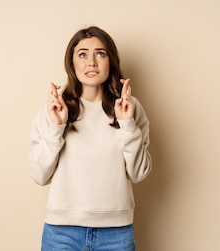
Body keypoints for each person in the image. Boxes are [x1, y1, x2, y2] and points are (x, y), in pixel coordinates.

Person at [28, 26, 152, 250]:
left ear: (110, 61)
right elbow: (39, 175)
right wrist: (57, 127)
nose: (91, 62)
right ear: (72, 62)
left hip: (117, 233)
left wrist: (127, 124)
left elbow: (139, 173)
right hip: (61, 233)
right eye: (82, 54)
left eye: (100, 53)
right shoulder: (54, 109)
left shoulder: (129, 108)